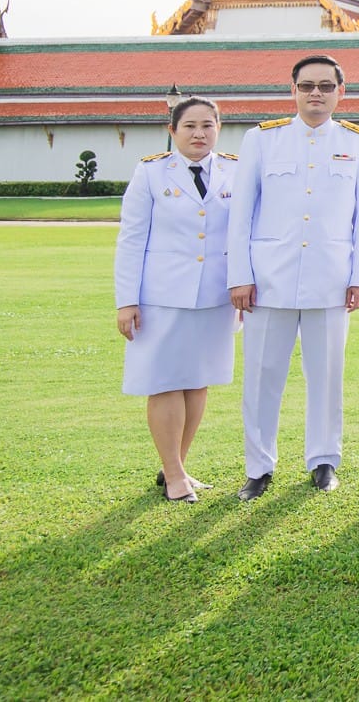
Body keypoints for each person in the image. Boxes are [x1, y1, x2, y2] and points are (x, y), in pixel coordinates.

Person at [227, 55, 359, 500]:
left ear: (340, 93)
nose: (316, 94)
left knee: (327, 376)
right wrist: (240, 275)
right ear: (292, 90)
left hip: (330, 277)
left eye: (326, 86)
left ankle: (324, 460)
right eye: (307, 85)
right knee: (262, 376)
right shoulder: (262, 140)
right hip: (269, 277)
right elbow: (241, 213)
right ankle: (259, 466)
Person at [114, 96, 240, 504]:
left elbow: (243, 236)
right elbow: (132, 239)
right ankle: (173, 473)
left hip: (216, 296)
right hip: (162, 296)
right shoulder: (151, 172)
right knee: (165, 382)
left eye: (207, 125)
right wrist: (126, 301)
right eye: (189, 126)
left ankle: (179, 465)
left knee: (197, 381)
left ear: (218, 129)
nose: (199, 133)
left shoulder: (233, 171)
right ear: (172, 131)